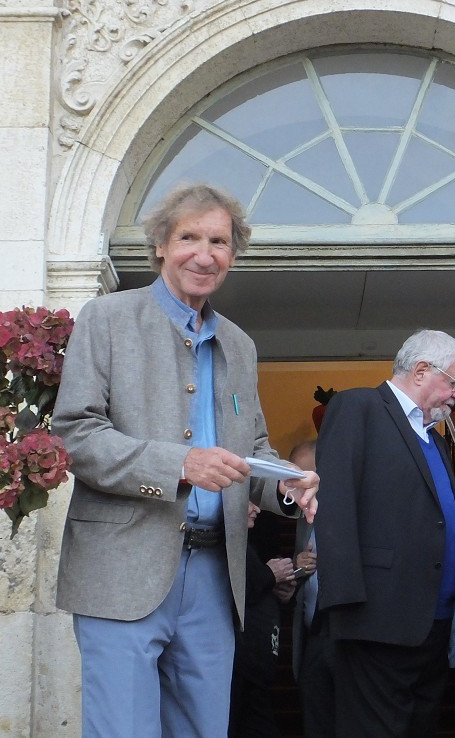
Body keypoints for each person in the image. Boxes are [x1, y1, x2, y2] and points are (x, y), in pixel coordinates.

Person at [52, 184, 319, 737]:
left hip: (215, 576)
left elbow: (255, 452)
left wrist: (290, 488)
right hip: (122, 568)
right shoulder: (105, 318)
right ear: (159, 247)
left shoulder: (240, 345)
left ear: (232, 254)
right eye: (189, 238)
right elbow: (75, 436)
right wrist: (179, 464)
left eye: (219, 241)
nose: (204, 254)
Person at [314, 329, 455, 738]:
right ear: (422, 371)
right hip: (374, 620)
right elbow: (334, 504)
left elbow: (446, 519)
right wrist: (343, 608)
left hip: (433, 625)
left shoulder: (433, 439)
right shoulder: (359, 407)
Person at [228, 497, 298, 738]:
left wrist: (279, 586)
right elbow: (235, 585)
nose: (256, 507)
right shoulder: (213, 538)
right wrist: (268, 575)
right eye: (247, 499)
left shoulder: (262, 530)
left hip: (256, 667)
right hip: (234, 663)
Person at [286, 439, 332, 738]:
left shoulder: (349, 508)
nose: (296, 487)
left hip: (343, 634)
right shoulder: (302, 515)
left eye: (304, 476)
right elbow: (303, 569)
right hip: (312, 637)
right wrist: (296, 566)